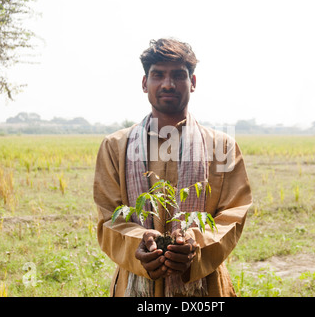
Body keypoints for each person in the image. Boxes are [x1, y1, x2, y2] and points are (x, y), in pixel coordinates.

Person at [93, 38, 253, 297]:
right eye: (158, 75)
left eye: (178, 75)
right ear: (145, 83)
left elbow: (233, 215)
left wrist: (195, 246)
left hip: (206, 287)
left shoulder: (222, 146)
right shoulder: (115, 146)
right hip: (133, 285)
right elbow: (108, 217)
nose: (168, 84)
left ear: (193, 82)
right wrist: (140, 244)